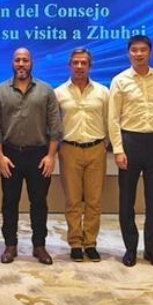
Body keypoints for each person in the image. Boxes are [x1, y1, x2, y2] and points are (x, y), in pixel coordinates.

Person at [108, 35, 153, 269]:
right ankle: (130, 249)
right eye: (134, 50)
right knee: (127, 199)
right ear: (129, 53)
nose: (139, 54)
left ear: (150, 52)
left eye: (143, 50)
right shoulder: (120, 80)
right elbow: (113, 118)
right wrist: (118, 149)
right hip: (130, 142)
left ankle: (151, 250)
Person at [0, 48, 62, 265]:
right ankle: (10, 246)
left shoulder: (46, 91)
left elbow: (55, 127)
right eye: (18, 60)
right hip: (10, 155)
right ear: (12, 63)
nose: (21, 64)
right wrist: (0, 157)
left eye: (25, 60)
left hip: (39, 156)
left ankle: (39, 246)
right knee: (9, 202)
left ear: (32, 63)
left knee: (39, 203)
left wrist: (51, 156)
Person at [54, 48, 109, 263]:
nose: (79, 67)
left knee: (94, 201)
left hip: (96, 149)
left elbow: (109, 120)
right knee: (73, 201)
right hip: (69, 150)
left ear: (90, 66)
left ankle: (91, 243)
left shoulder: (103, 92)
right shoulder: (58, 93)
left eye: (83, 63)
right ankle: (75, 243)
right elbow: (54, 124)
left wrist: (104, 145)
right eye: (75, 63)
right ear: (69, 65)